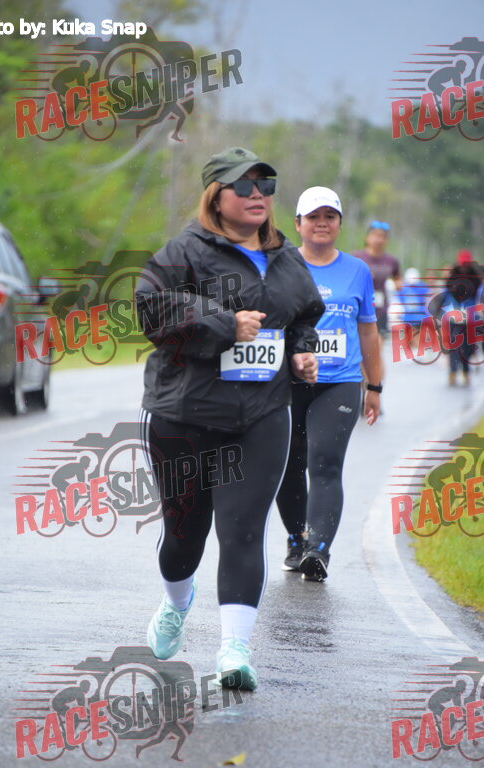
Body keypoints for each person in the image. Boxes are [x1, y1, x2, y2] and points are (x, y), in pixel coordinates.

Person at [135, 147, 325, 690]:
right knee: (184, 535)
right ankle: (177, 602)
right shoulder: (184, 251)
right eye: (242, 186)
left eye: (265, 184)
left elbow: (302, 318)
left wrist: (301, 353)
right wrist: (224, 323)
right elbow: (150, 308)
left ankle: (234, 651)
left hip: (261, 414)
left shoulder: (287, 260)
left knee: (242, 530)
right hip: (184, 413)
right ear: (215, 197)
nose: (256, 194)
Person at [276, 187, 382, 578]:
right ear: (298, 223)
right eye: (313, 216)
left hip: (340, 381)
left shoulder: (357, 270)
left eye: (330, 216)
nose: (322, 223)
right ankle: (296, 539)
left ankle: (318, 550)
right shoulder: (282, 266)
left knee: (325, 463)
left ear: (339, 223)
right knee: (289, 464)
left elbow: (368, 331)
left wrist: (375, 387)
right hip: (288, 382)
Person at [428, 260, 482, 386]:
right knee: (454, 345)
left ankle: (465, 371)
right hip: (454, 319)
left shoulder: (475, 282)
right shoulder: (451, 282)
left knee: (467, 347)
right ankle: (453, 371)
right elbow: (442, 299)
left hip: (469, 319)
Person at [353, 221, 401, 339]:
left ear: (386, 240)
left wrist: (396, 285)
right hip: (359, 307)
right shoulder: (356, 257)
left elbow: (398, 279)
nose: (378, 240)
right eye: (375, 235)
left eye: (382, 236)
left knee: (377, 342)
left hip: (380, 310)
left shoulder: (391, 261)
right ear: (367, 237)